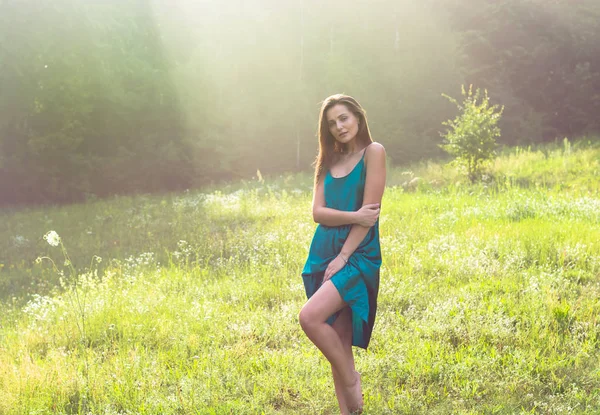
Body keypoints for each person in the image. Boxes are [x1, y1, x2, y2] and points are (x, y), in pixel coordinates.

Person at [299, 94, 386, 414]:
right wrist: (352, 216)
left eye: (344, 118)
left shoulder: (373, 153)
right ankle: (351, 410)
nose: (339, 127)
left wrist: (344, 256)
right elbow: (318, 214)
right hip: (323, 251)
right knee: (337, 338)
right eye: (332, 123)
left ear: (359, 119)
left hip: (358, 251)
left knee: (309, 317)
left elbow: (370, 214)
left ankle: (351, 379)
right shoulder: (327, 161)